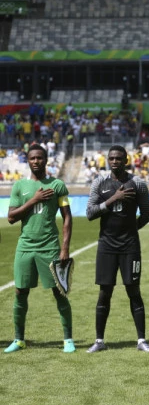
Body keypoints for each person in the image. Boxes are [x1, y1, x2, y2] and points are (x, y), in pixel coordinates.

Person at [5, 144, 74, 353]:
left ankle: (68, 340)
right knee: (20, 292)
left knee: (59, 292)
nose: (36, 161)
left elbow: (67, 217)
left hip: (50, 247)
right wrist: (33, 200)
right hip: (25, 246)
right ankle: (19, 339)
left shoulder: (57, 185)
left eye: (40, 158)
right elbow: (11, 217)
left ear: (46, 160)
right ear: (28, 160)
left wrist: (65, 248)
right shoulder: (19, 186)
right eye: (32, 158)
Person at [85, 145, 149, 353]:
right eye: (111, 158)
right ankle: (99, 340)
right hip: (106, 246)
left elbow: (147, 214)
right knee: (105, 292)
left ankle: (141, 340)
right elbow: (90, 213)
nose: (115, 161)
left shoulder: (138, 183)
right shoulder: (99, 182)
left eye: (119, 158)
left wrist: (130, 230)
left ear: (126, 160)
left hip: (130, 247)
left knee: (134, 290)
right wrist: (112, 199)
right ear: (108, 160)